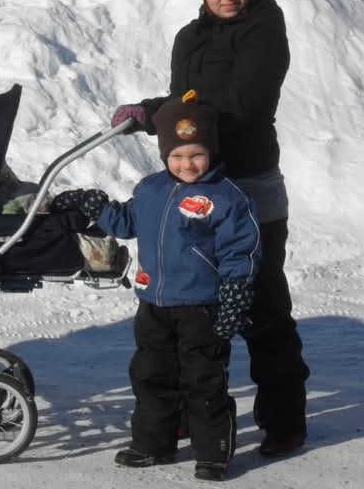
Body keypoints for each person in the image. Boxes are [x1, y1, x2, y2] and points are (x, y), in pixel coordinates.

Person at [110, 0, 310, 456]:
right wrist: (159, 114)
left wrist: (158, 110)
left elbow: (240, 103)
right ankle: (181, 415)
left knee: (261, 304)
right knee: (187, 306)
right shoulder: (188, 38)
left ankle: (284, 420)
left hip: (250, 187)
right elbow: (188, 106)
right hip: (196, 187)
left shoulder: (265, 30)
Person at [55, 92, 260, 481]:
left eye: (196, 154)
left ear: (212, 152)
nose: (187, 164)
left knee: (203, 379)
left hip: (203, 305)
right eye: (178, 156)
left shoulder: (228, 198)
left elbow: (241, 249)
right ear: (165, 155)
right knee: (151, 375)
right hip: (153, 304)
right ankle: (154, 444)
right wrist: (96, 206)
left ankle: (212, 450)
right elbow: (127, 222)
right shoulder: (150, 189)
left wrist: (236, 290)